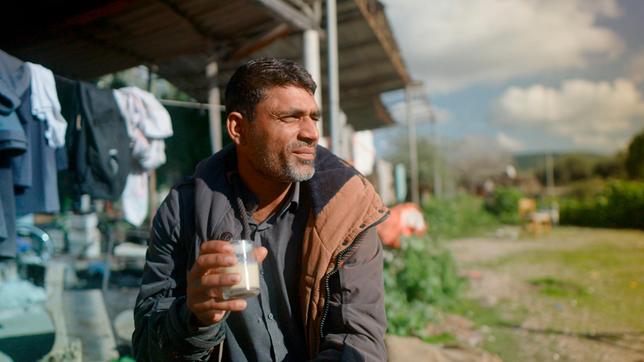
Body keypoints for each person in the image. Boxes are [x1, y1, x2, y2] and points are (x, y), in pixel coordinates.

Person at [132, 58, 389, 361]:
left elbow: (357, 342)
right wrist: (195, 317)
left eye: (313, 118)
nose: (311, 133)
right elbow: (147, 349)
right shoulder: (182, 211)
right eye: (290, 118)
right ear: (238, 128)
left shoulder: (347, 207)